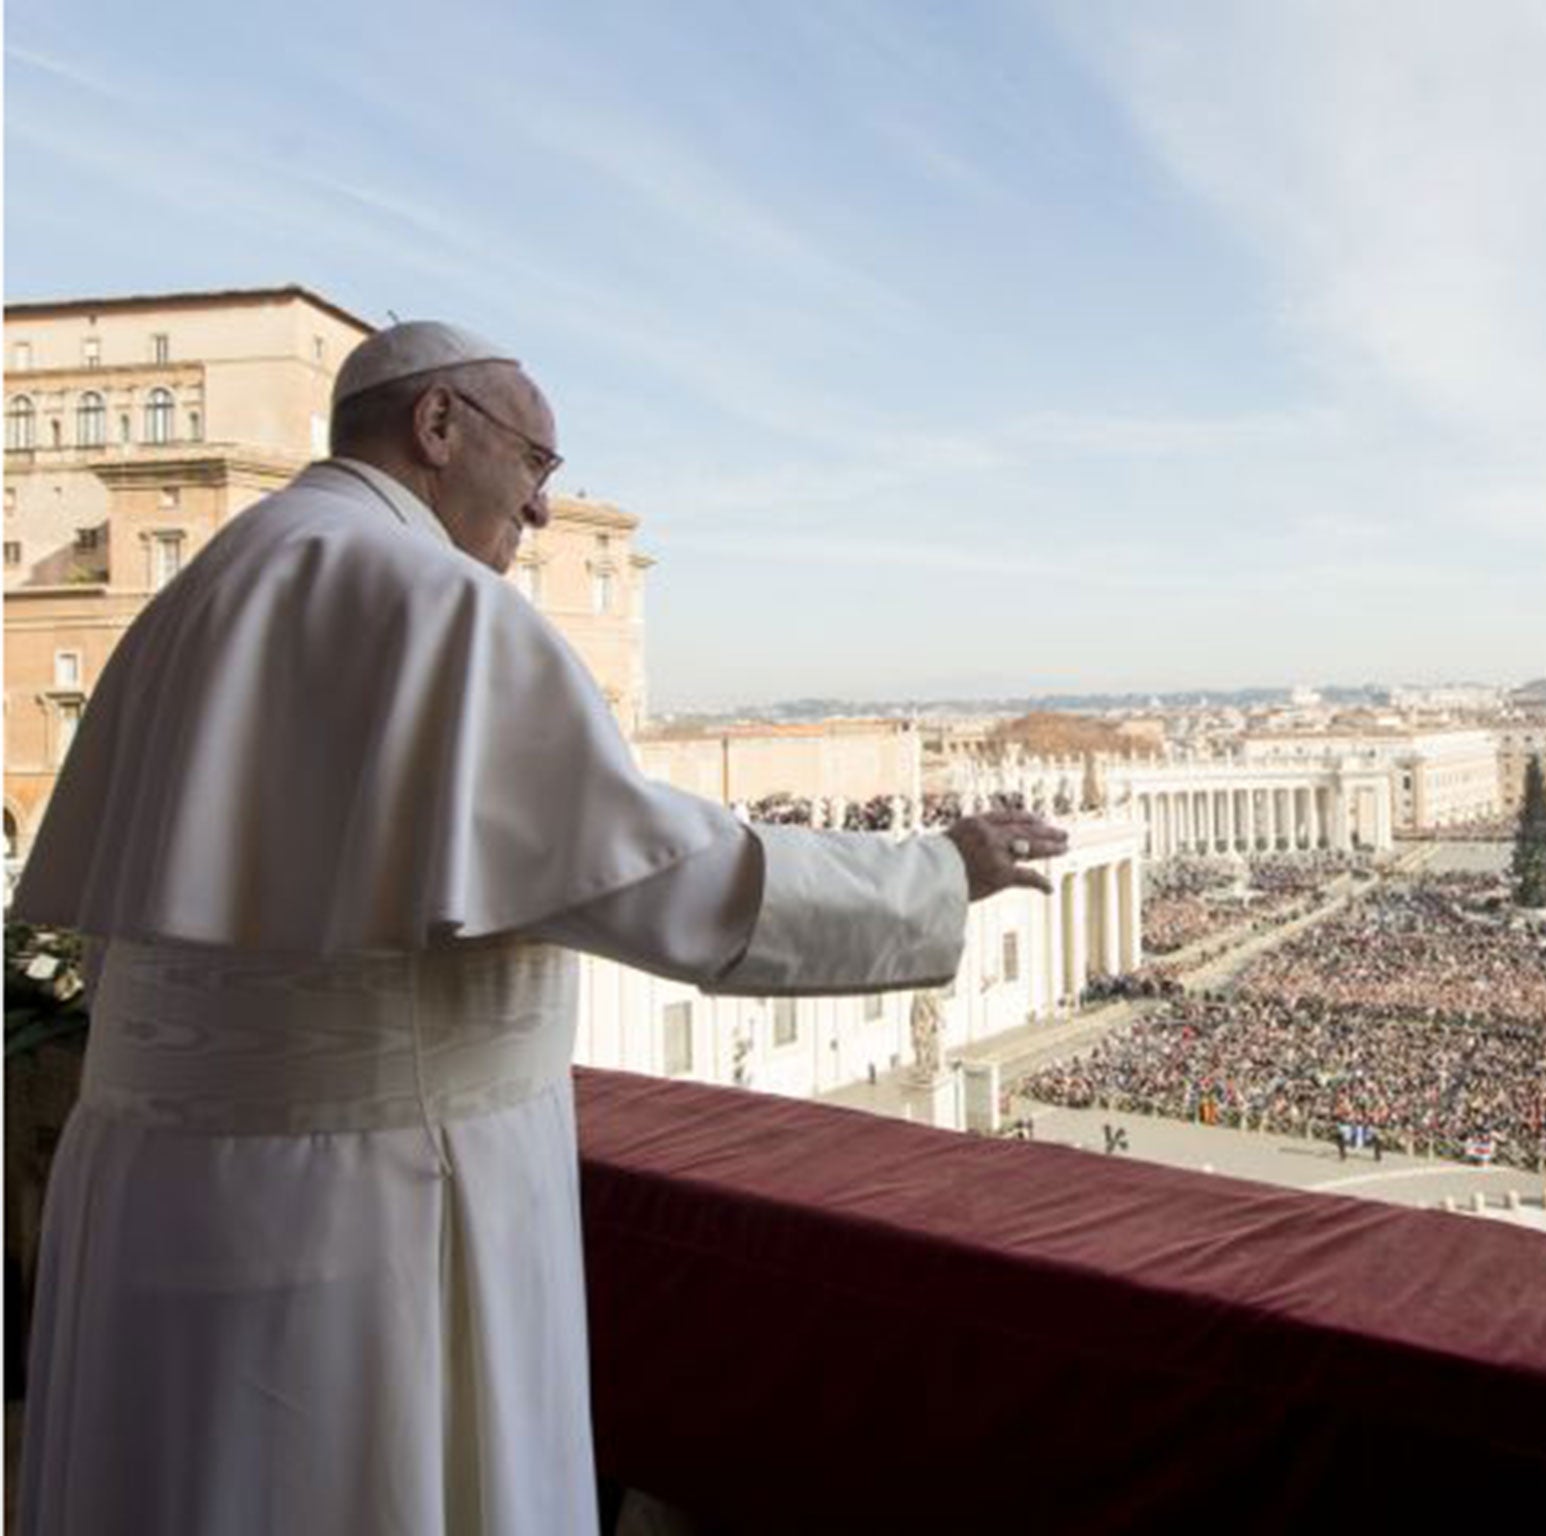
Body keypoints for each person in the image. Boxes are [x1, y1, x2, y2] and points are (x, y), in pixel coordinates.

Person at [10, 321, 1066, 1536]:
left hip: (154, 1181)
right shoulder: (426, 598)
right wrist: (935, 871)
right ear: (438, 425)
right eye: (537, 465)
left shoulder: (209, 584)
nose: (547, 513)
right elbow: (651, 874)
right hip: (363, 1197)